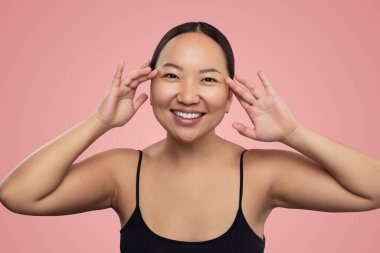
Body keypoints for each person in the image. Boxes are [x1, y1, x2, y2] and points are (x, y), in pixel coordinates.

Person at [0, 21, 379, 253]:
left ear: (230, 98)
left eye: (209, 79)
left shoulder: (264, 174)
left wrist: (295, 134)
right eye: (171, 75)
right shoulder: (122, 171)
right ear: (150, 83)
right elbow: (17, 195)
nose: (187, 94)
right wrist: (99, 122)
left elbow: (374, 189)